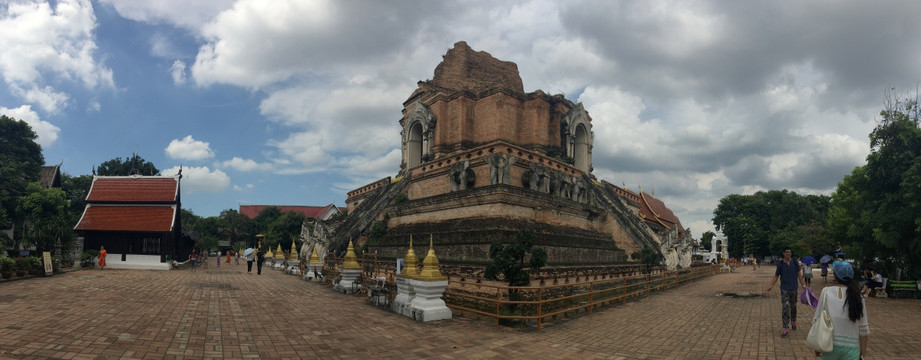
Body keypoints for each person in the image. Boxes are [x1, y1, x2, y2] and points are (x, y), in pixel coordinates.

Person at [813, 260, 869, 359]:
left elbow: (817, 319)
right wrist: (863, 354)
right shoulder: (858, 296)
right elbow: (863, 328)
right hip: (852, 349)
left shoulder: (826, 292)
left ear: (835, 276)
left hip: (829, 346)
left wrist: (817, 346)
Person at [766, 247, 807, 338]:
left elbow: (799, 275)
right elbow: (776, 275)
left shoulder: (795, 262)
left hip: (793, 288)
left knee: (793, 306)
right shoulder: (780, 263)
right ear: (783, 253)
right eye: (787, 252)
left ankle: (793, 321)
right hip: (784, 288)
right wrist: (771, 285)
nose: (788, 254)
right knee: (785, 306)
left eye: (790, 252)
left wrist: (803, 285)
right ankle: (785, 327)